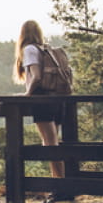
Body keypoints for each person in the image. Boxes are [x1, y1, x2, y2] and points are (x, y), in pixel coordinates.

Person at [14, 19, 68, 191]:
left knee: (50, 144)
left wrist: (28, 94)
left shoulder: (29, 50)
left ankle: (60, 187)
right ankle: (60, 184)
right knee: (53, 143)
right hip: (57, 98)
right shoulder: (45, 49)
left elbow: (36, 76)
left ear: (23, 34)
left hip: (42, 100)